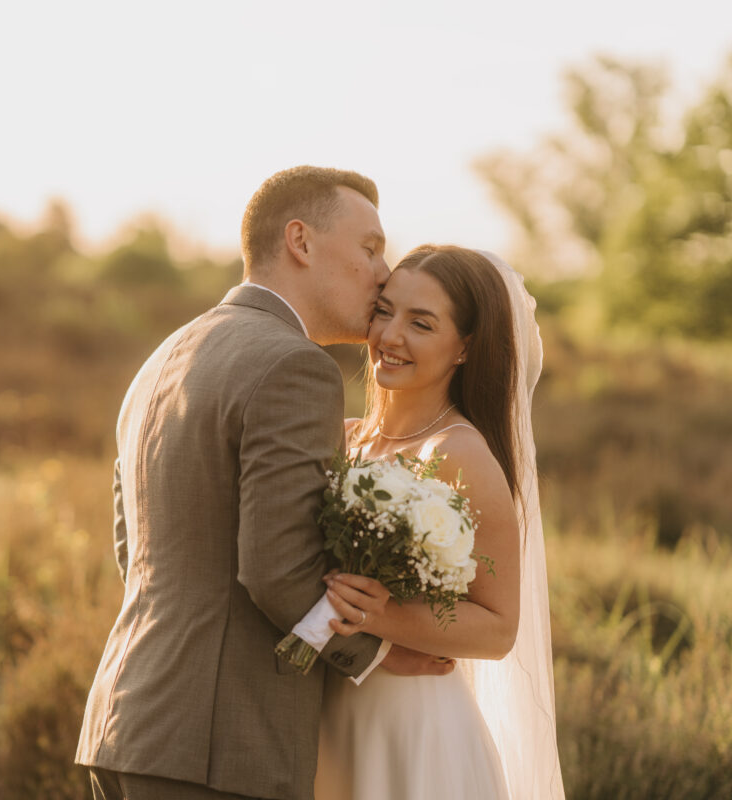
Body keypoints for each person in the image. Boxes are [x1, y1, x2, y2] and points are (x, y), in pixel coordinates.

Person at [76, 167, 454, 800]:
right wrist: (379, 654)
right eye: (369, 248)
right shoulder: (292, 365)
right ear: (300, 242)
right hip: (222, 744)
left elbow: (133, 549)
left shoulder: (167, 355)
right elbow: (278, 568)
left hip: (127, 721)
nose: (383, 271)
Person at [311, 245, 564, 799]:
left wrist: (386, 615)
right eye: (384, 311)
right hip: (326, 714)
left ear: (465, 348)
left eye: (420, 323)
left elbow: (498, 629)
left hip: (412, 726)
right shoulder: (346, 436)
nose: (389, 336)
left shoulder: (461, 453)